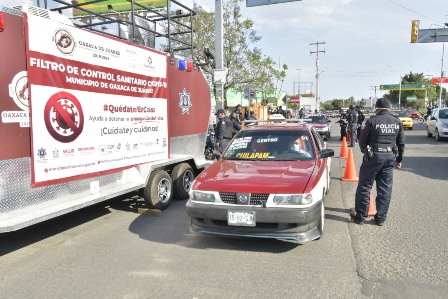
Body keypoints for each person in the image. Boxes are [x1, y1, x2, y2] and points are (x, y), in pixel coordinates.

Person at [350, 98, 405, 226]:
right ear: (389, 108)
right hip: (389, 156)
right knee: (385, 189)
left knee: (364, 187)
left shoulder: (372, 121)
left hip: (373, 156)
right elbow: (401, 143)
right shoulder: (397, 122)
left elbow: (362, 140)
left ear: (377, 108)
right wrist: (399, 159)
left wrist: (366, 152)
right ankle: (380, 218)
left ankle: (361, 217)